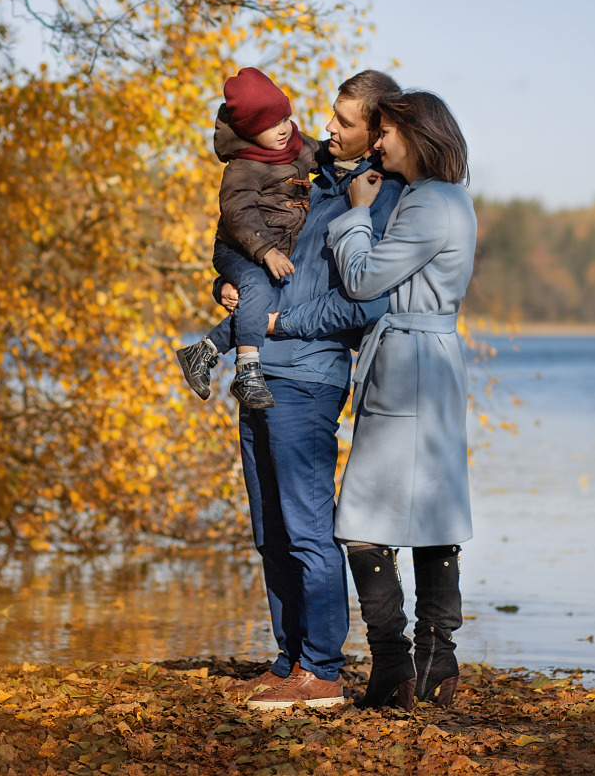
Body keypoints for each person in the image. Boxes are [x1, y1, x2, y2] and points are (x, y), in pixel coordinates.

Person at [212, 70, 405, 710]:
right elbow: (243, 227)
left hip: (310, 376)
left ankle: (322, 671)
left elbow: (363, 306)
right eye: (331, 116)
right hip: (261, 372)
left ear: (378, 132)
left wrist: (278, 321)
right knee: (269, 529)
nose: (328, 129)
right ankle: (289, 657)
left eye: (344, 122)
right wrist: (229, 285)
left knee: (305, 529)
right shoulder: (313, 173)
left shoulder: (376, 199)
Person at [324, 90, 477, 710]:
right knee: (434, 514)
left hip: (411, 363)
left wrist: (357, 212)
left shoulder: (428, 205)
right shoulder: (450, 199)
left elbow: (363, 280)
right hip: (429, 362)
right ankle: (435, 665)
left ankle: (395, 663)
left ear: (415, 136)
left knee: (360, 520)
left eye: (385, 132)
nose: (378, 142)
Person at [175, 67, 319, 409]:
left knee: (258, 301)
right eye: (270, 126)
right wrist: (267, 250)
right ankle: (247, 372)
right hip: (237, 248)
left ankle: (204, 351)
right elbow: (238, 212)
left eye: (285, 117)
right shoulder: (243, 166)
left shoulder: (297, 146)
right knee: (256, 285)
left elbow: (326, 155)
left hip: (265, 252)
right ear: (251, 132)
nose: (283, 129)